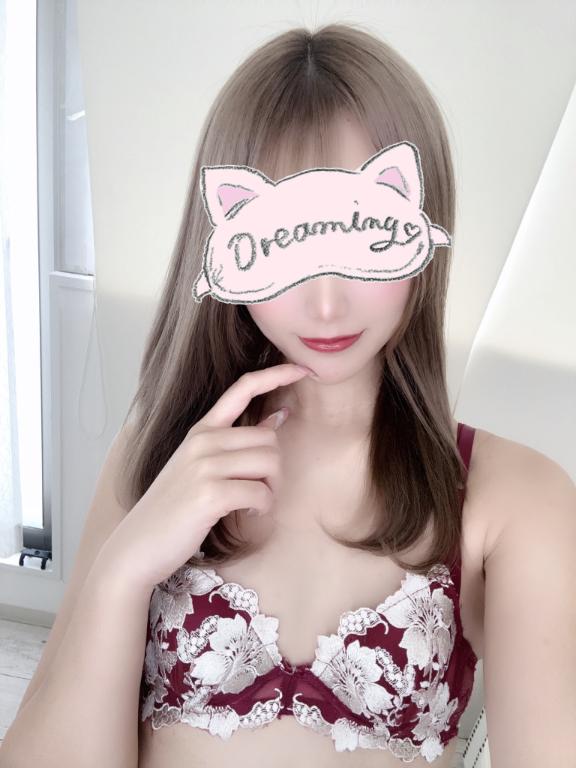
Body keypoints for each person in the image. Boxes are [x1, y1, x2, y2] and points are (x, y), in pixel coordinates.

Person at [3, 22, 575, 768]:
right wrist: (123, 572)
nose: (327, 305)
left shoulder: (515, 496)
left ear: (417, 221)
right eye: (288, 248)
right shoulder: (157, 456)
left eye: (363, 242)